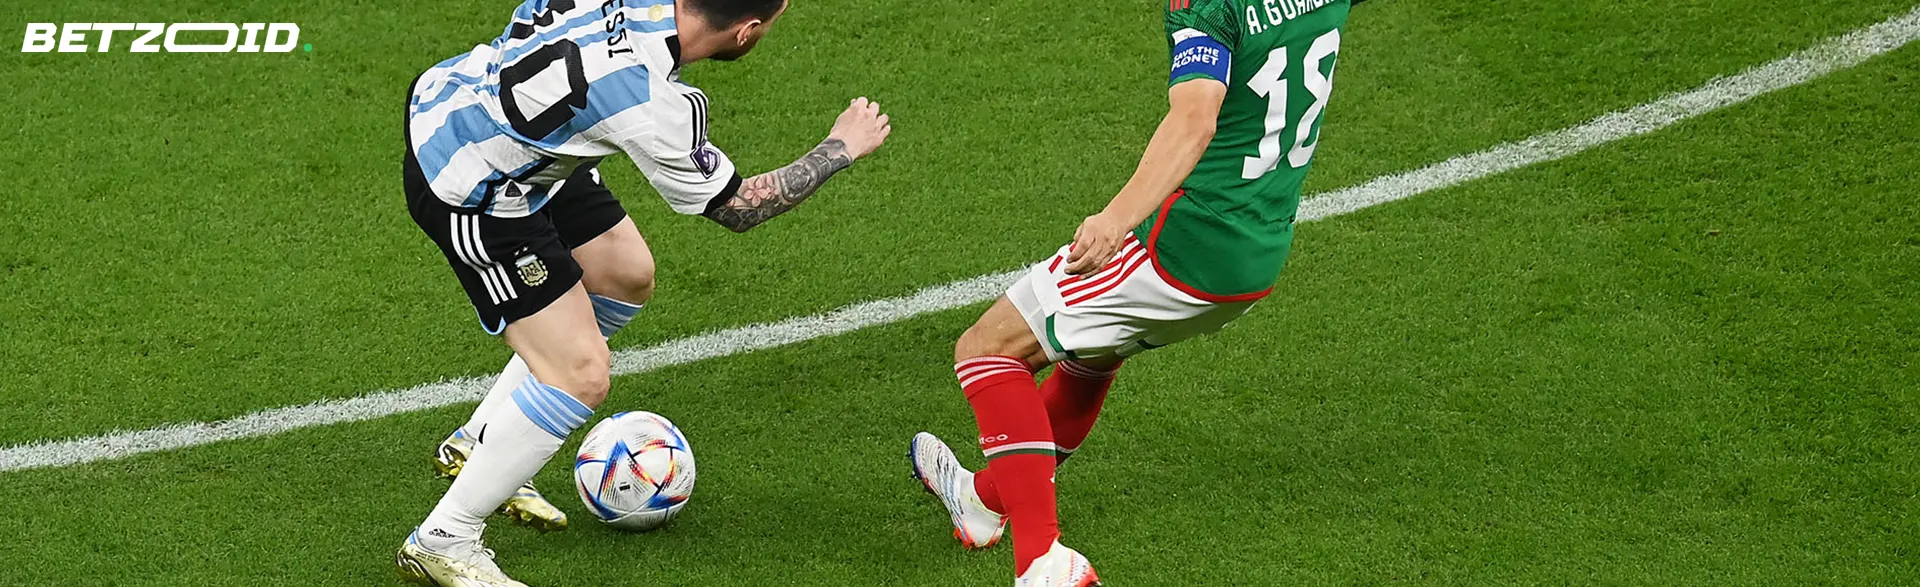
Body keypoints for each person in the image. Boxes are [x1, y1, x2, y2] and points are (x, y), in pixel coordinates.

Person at [397, 0, 891, 584]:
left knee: (623, 273)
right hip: (471, 182)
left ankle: (478, 442)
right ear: (747, 32)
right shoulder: (651, 101)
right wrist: (840, 148)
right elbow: (738, 207)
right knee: (580, 374)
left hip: (493, 111)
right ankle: (444, 540)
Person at [907, 0, 1354, 584]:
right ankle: (983, 501)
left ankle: (1042, 562)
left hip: (1184, 245)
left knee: (988, 349)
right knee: (1094, 350)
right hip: (1258, 255)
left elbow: (1195, 121)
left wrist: (1117, 218)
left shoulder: (1206, 6)